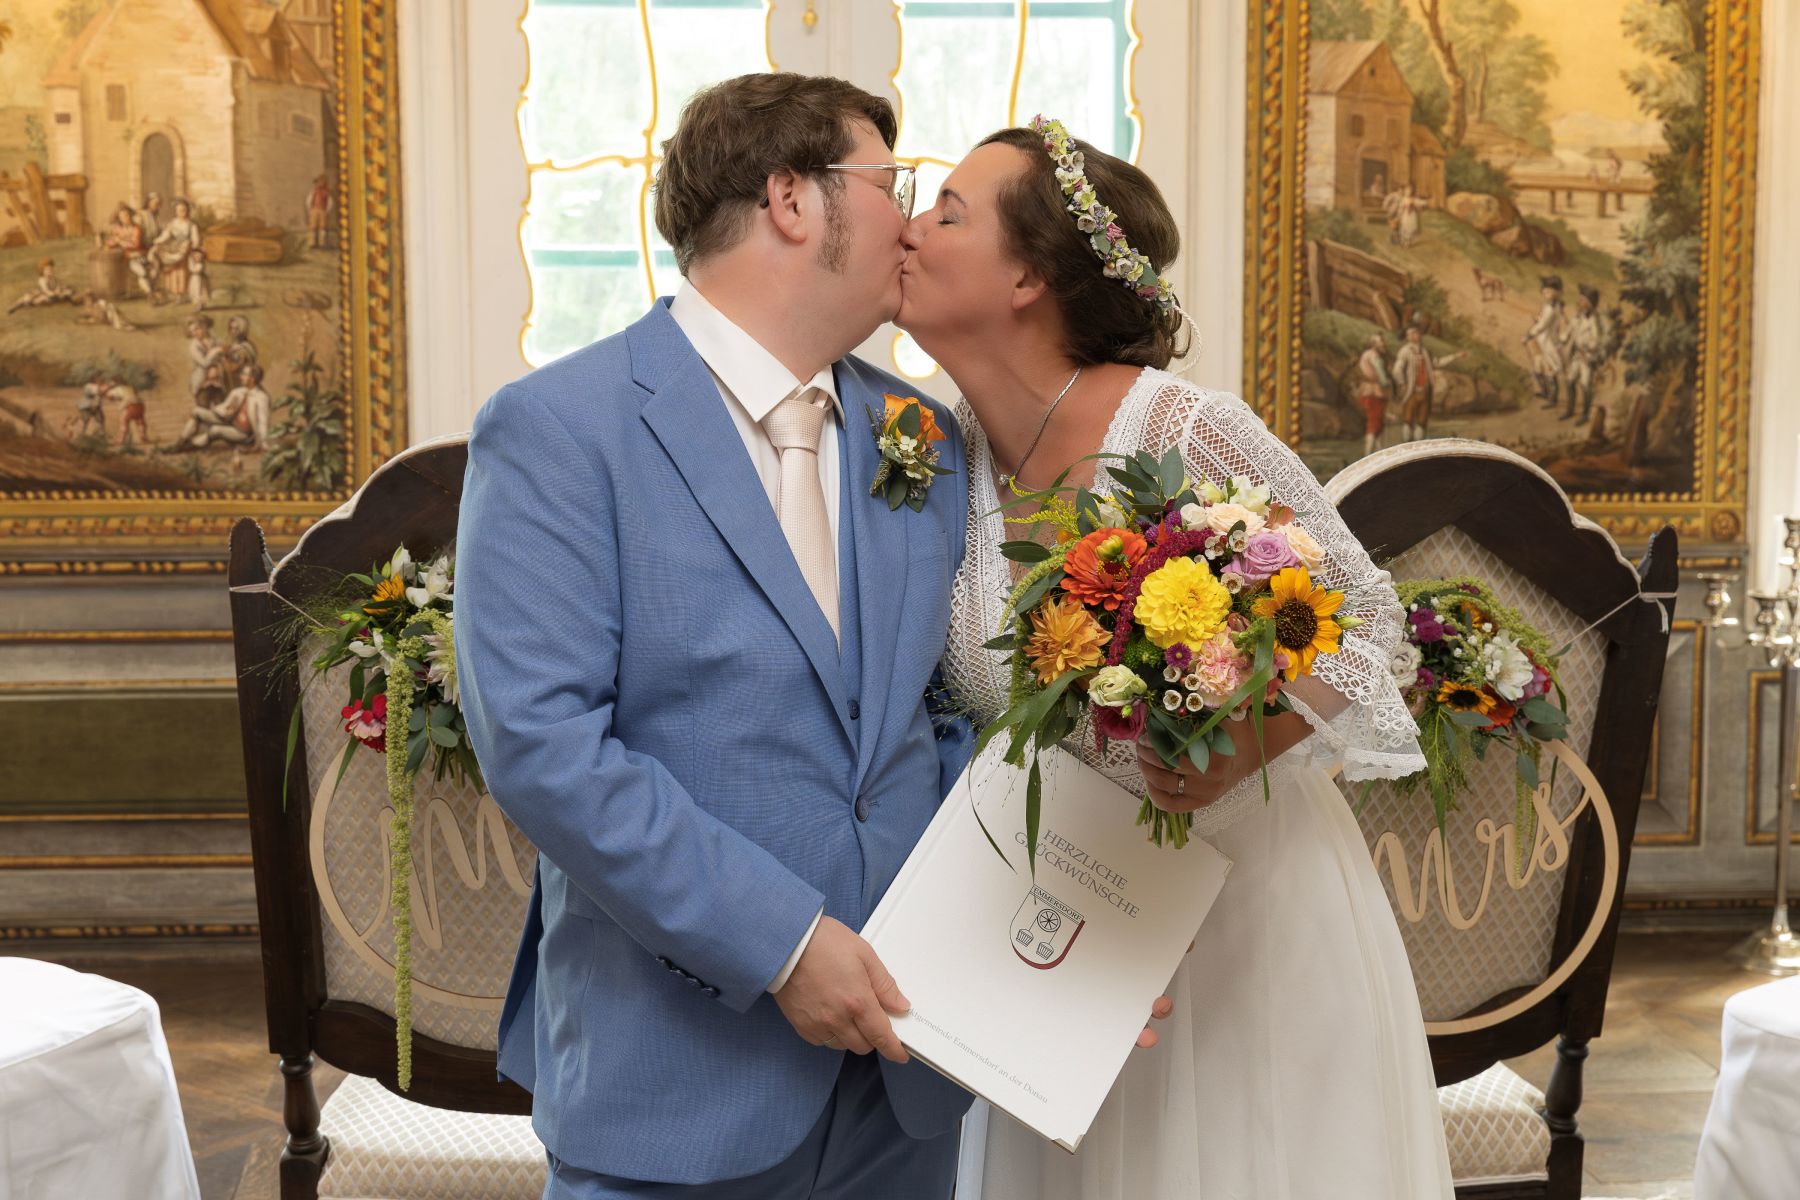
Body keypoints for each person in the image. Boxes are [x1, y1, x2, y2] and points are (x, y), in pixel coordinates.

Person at [455, 74, 1171, 1200]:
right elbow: (545, 750)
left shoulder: (921, 434)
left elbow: (949, 722)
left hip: (909, 1074)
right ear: (793, 200)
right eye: (891, 186)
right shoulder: (560, 430)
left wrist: (1069, 948)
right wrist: (783, 945)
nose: (910, 224)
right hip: (676, 1084)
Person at [897, 118, 1455, 1199]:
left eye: (948, 213)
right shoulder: (930, 454)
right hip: (1055, 936)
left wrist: (1246, 744)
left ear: (1027, 277)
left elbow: (1367, 620)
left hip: (1241, 921)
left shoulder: (1185, 429)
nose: (909, 229)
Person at [1392, 318, 1465, 442]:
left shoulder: (1425, 351)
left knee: (1422, 422)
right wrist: (1402, 383)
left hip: (1425, 391)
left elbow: (1436, 363)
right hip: (1412, 391)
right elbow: (1397, 369)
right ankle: (1407, 446)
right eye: (1411, 333)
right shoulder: (1405, 351)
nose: (1414, 335)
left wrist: (1455, 356)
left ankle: (1419, 447)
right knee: (1408, 420)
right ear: (1408, 337)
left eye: (1416, 332)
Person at [1523, 274, 1568, 410]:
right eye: (1544, 291)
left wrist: (1529, 335)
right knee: (1539, 368)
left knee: (1549, 370)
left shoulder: (1551, 308)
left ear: (1556, 293)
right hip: (1543, 341)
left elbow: (1542, 325)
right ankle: (1545, 392)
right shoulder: (1550, 306)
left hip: (1548, 343)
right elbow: (1544, 321)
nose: (1545, 294)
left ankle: (1552, 399)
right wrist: (1539, 319)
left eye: (1548, 291)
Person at [1562, 284, 1604, 425]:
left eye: (1582, 300)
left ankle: (1585, 414)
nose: (1579, 302)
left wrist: (1586, 346)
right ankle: (1570, 410)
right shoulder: (1577, 317)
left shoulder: (1594, 320)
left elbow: (1596, 340)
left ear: (1590, 303)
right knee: (1570, 381)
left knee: (1585, 385)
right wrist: (1561, 340)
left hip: (1587, 357)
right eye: (1579, 299)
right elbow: (1568, 331)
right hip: (1576, 355)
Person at [1355, 331, 1393, 457]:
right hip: (1374, 393)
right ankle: (1368, 455)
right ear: (1374, 344)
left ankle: (1378, 454)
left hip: (1367, 392)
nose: (1383, 344)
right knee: (1374, 424)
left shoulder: (1365, 354)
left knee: (1377, 424)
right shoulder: (1374, 356)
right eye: (1380, 342)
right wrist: (1387, 382)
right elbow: (1382, 377)